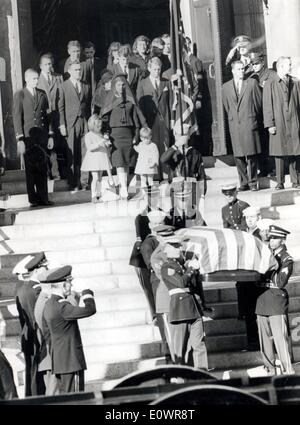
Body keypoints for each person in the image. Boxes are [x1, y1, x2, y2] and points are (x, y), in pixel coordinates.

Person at [41, 265, 96, 394]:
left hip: (60, 361)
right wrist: (86, 292)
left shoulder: (48, 304)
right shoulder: (62, 307)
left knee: (66, 398)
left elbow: (47, 334)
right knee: (76, 399)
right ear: (64, 286)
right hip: (71, 361)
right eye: (69, 283)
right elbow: (90, 309)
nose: (71, 287)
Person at [161, 239, 208, 370]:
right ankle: (180, 375)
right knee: (180, 348)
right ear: (166, 249)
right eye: (174, 246)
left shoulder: (182, 266)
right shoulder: (167, 267)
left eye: (178, 246)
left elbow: (194, 284)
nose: (178, 249)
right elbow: (181, 282)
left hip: (194, 307)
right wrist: (191, 268)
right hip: (180, 309)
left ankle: (202, 374)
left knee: (199, 345)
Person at [256, 225, 294, 375]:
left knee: (280, 338)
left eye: (275, 238)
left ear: (283, 240)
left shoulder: (286, 258)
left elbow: (280, 282)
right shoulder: (264, 254)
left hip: (276, 300)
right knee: (264, 339)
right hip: (261, 299)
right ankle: (270, 369)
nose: (271, 241)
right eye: (270, 238)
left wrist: (271, 265)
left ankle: (287, 369)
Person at [13, 68, 54, 207]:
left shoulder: (42, 94)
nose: (36, 81)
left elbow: (48, 117)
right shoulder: (20, 95)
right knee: (30, 169)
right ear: (26, 79)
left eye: (37, 78)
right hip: (28, 137)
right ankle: (33, 199)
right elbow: (17, 117)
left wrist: (50, 136)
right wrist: (20, 139)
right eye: (33, 79)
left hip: (41, 137)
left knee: (42, 167)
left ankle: (44, 197)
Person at [101, 75, 145, 199]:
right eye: (118, 85)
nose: (121, 87)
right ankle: (124, 189)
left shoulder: (130, 100)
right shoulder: (110, 100)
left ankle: (123, 186)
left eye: (123, 85)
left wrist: (136, 134)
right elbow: (105, 117)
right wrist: (105, 133)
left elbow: (136, 117)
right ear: (114, 86)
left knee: (126, 161)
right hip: (116, 134)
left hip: (128, 133)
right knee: (119, 161)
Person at [222, 60, 262, 191]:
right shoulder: (226, 87)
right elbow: (227, 107)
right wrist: (234, 118)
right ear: (233, 71)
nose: (241, 71)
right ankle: (243, 182)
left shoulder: (251, 83)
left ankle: (253, 182)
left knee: (251, 154)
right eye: (238, 69)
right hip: (235, 125)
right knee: (239, 155)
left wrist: (252, 116)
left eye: (242, 69)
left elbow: (258, 104)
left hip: (249, 122)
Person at [13, 252, 49, 396]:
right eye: (44, 267)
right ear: (37, 269)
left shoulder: (22, 288)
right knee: (37, 376)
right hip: (37, 336)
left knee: (32, 373)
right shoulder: (36, 290)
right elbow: (38, 318)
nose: (46, 270)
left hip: (28, 335)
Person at [263, 56, 300, 190]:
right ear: (281, 67)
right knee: (279, 153)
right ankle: (280, 182)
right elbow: (267, 106)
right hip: (278, 122)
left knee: (294, 152)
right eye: (288, 65)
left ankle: (296, 181)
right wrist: (270, 124)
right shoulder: (270, 83)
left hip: (293, 123)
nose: (290, 67)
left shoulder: (294, 82)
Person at [160, 123, 207, 216]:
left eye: (185, 135)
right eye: (180, 135)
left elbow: (201, 176)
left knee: (192, 217)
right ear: (175, 135)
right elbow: (163, 160)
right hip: (176, 189)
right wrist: (176, 145)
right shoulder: (172, 153)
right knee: (177, 216)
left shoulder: (195, 153)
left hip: (191, 190)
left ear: (189, 136)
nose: (182, 138)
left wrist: (202, 194)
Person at [137, 56, 172, 180]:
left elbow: (170, 102)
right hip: (150, 121)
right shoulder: (142, 84)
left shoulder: (166, 82)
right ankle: (154, 176)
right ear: (149, 68)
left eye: (159, 69)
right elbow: (139, 106)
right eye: (155, 69)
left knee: (165, 146)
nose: (157, 72)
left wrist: (171, 120)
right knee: (152, 146)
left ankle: (166, 175)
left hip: (164, 119)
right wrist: (143, 123)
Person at [58, 61, 91, 191]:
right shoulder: (63, 86)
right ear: (70, 71)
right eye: (76, 70)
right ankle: (73, 182)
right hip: (70, 123)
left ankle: (84, 182)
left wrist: (88, 122)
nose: (79, 72)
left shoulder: (86, 86)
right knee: (71, 154)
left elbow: (87, 106)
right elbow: (61, 107)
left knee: (85, 153)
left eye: (80, 70)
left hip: (84, 122)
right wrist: (62, 125)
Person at [238, 206, 265, 351]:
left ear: (259, 218)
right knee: (248, 313)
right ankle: (252, 342)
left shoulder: (260, 234)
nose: (249, 220)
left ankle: (257, 342)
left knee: (254, 312)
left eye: (252, 217)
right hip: (244, 279)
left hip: (254, 279)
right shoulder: (245, 233)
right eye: (247, 218)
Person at [249, 52, 277, 178]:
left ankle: (274, 168)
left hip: (271, 113)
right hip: (259, 115)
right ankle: (264, 169)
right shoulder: (252, 77)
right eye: (252, 64)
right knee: (261, 143)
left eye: (256, 63)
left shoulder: (271, 75)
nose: (254, 66)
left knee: (272, 143)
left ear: (262, 62)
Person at [37, 53, 64, 180]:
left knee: (58, 144)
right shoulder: (36, 80)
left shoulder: (58, 77)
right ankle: (48, 174)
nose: (49, 66)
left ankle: (59, 173)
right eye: (46, 64)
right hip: (44, 118)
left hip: (57, 115)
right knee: (46, 146)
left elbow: (62, 97)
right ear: (41, 66)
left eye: (50, 64)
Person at [81, 114, 115, 203]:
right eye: (98, 126)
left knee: (100, 178)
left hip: (101, 159)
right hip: (93, 160)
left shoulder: (100, 134)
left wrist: (107, 143)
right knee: (95, 178)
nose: (100, 127)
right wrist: (100, 142)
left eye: (100, 126)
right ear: (92, 125)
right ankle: (93, 196)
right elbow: (90, 147)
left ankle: (99, 195)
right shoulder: (88, 135)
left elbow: (103, 146)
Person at [133, 127, 159, 194]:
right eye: (144, 138)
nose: (146, 140)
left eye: (148, 138)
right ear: (141, 138)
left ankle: (151, 191)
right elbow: (138, 150)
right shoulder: (141, 144)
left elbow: (156, 154)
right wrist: (134, 146)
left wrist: (155, 162)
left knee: (150, 179)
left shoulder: (153, 145)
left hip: (150, 165)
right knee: (143, 179)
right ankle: (144, 192)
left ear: (151, 136)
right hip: (142, 165)